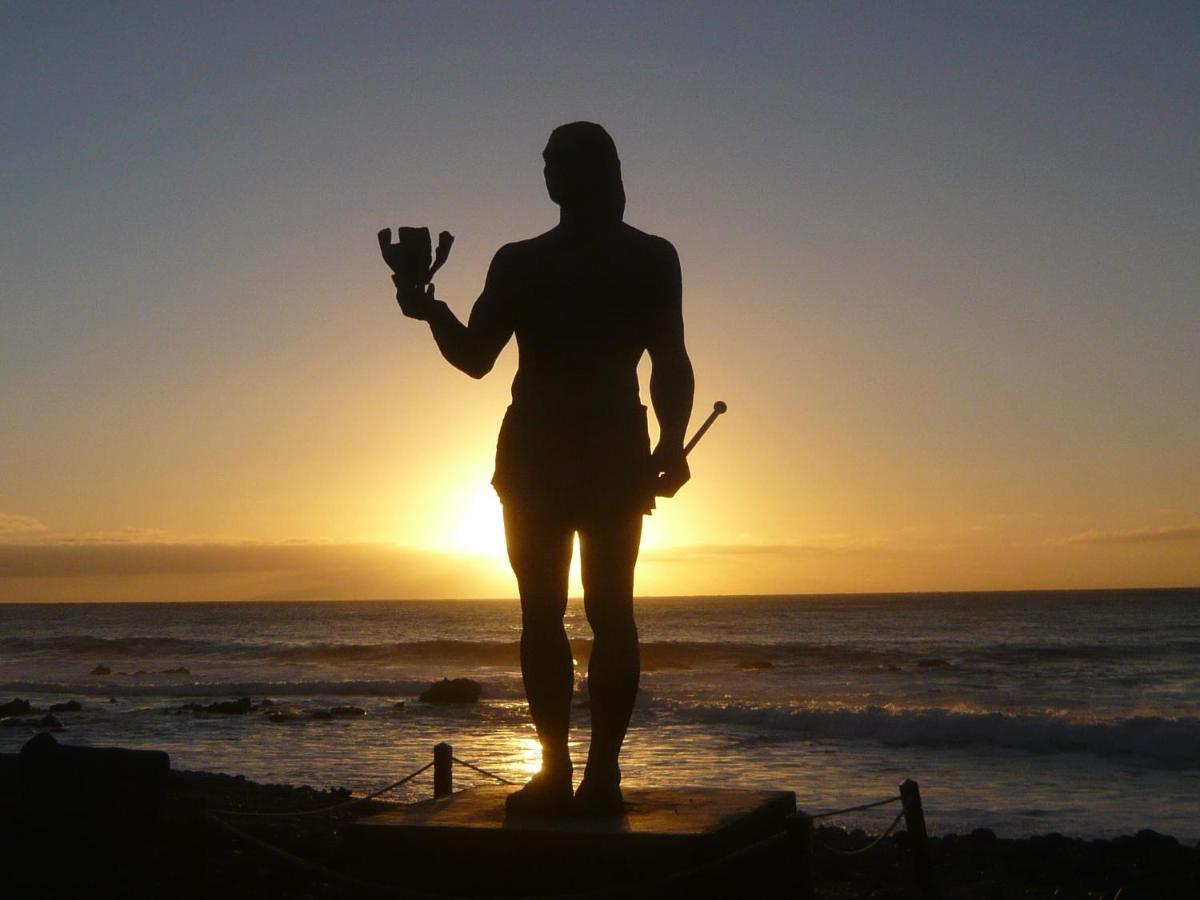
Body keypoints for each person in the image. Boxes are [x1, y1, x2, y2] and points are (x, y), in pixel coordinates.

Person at [388, 122, 694, 814]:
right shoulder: (521, 261)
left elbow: (670, 358)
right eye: (548, 161)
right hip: (545, 455)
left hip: (596, 451)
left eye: (564, 161)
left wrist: (673, 439)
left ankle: (600, 775)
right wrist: (430, 308)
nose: (552, 172)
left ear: (602, 169)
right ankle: (559, 772)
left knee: (608, 613)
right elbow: (475, 357)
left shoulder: (645, 257)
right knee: (545, 615)